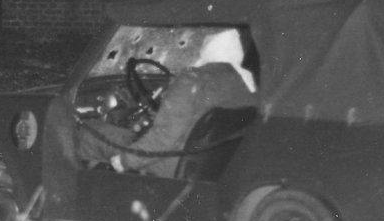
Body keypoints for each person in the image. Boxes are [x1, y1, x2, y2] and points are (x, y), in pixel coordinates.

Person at [79, 28, 258, 178]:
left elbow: (164, 139)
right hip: (207, 163)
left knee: (90, 132)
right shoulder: (246, 86)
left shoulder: (193, 80)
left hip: (170, 162)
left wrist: (125, 161)